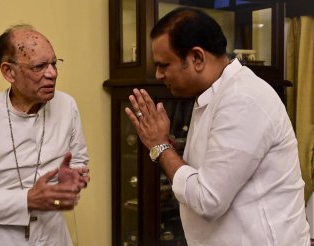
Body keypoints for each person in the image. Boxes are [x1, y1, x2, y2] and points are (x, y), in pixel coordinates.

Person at [125, 7, 310, 246]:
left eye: (164, 65)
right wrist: (167, 145)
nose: (158, 74)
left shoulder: (242, 99)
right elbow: (205, 173)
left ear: (197, 58)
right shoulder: (213, 94)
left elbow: (208, 199)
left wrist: (160, 147)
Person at [0, 24, 90, 246]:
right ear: (8, 71)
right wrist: (27, 200)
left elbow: (79, 161)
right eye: (39, 66)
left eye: (54, 63)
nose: (52, 73)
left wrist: (72, 178)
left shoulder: (66, 105)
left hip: (52, 236)